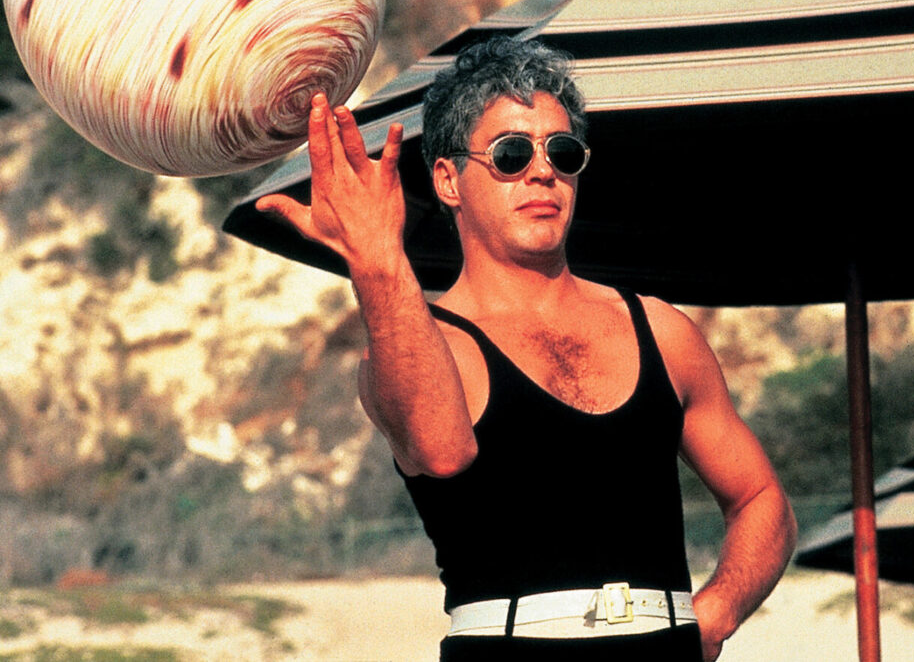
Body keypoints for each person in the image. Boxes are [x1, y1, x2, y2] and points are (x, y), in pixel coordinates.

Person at [256, 36, 797, 661]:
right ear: (449, 180)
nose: (543, 172)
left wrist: (717, 612)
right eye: (511, 154)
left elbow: (762, 500)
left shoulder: (661, 330)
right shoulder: (418, 346)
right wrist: (377, 259)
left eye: (562, 152)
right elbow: (441, 450)